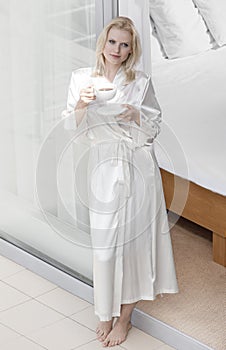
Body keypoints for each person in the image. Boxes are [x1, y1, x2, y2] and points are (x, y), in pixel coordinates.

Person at [62, 16, 178, 348]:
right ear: (103, 43)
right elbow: (69, 129)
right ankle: (104, 314)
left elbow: (153, 129)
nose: (118, 49)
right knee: (105, 247)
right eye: (113, 42)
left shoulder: (140, 82)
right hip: (102, 167)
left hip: (137, 167)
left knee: (134, 246)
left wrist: (136, 115)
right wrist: (82, 104)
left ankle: (124, 318)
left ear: (132, 49)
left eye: (125, 44)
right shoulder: (82, 79)